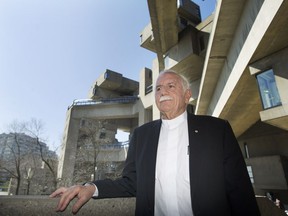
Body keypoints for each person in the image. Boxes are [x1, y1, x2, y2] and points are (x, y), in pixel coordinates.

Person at [50, 70, 261, 216]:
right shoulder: (141, 136)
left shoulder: (217, 130)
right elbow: (130, 183)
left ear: (187, 95)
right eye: (158, 88)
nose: (163, 92)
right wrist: (91, 187)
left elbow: (240, 191)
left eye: (171, 86)